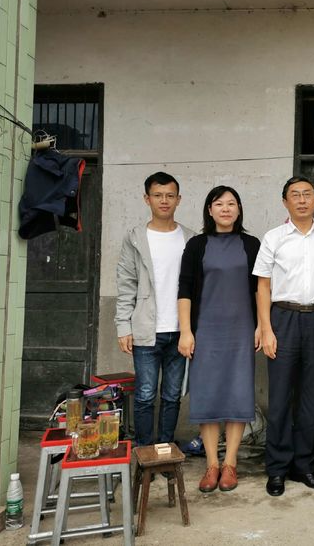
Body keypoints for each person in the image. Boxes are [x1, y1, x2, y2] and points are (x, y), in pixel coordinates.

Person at [253, 176, 314, 497]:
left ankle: (304, 465)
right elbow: (262, 286)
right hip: (283, 318)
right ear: (285, 202)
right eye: (295, 195)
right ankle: (277, 468)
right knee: (280, 397)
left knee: (310, 397)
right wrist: (266, 328)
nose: (302, 200)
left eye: (308, 194)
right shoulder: (274, 237)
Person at [177, 186, 262, 493]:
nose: (226, 209)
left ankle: (230, 464)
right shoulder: (197, 244)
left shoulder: (251, 244)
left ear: (239, 210)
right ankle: (212, 464)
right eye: (219, 204)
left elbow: (260, 288)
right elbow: (185, 289)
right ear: (209, 210)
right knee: (208, 394)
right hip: (206, 330)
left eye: (231, 203)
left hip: (242, 330)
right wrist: (186, 331)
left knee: (238, 393)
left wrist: (261, 326)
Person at [115, 172, 195, 447]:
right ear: (146, 199)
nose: (164, 201)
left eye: (170, 195)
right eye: (158, 195)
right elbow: (126, 283)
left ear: (178, 199)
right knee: (145, 395)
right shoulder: (135, 237)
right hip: (146, 330)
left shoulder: (190, 238)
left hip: (181, 331)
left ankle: (164, 449)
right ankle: (144, 450)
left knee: (172, 395)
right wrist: (123, 326)